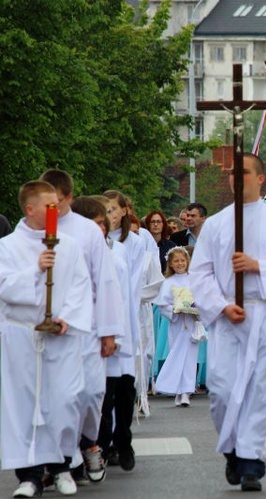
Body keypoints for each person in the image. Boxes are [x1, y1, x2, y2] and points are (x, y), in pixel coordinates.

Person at [190, 154, 266, 492]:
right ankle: (232, 450)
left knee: (258, 389)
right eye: (232, 173)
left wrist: (257, 266)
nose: (238, 178)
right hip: (227, 316)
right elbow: (201, 273)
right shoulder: (216, 224)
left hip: (264, 311)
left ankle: (252, 461)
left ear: (261, 178)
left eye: (245, 172)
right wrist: (222, 306)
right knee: (221, 389)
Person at [0, 181, 93, 498]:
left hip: (61, 337)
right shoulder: (7, 247)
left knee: (65, 401)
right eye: (50, 206)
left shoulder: (69, 244)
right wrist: (35, 270)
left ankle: (62, 466)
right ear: (30, 209)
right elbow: (4, 288)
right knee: (25, 406)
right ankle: (29, 475)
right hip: (23, 336)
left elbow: (82, 286)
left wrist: (68, 316)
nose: (58, 210)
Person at [40, 170, 123, 485]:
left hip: (85, 325)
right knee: (55, 397)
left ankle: (89, 441)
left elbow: (105, 280)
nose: (52, 206)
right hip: (47, 327)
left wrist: (109, 331)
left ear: (69, 198)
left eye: (57, 201)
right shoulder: (35, 229)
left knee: (90, 392)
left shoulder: (87, 231)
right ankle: (57, 462)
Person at [99, 190, 147, 471]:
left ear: (124, 212)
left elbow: (131, 287)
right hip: (104, 322)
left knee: (125, 389)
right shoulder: (97, 243)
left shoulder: (134, 243)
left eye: (114, 209)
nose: (110, 215)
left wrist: (123, 327)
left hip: (125, 319)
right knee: (105, 390)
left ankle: (123, 440)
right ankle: (104, 444)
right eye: (105, 210)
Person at [154, 247, 201, 407]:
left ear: (187, 261)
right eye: (176, 261)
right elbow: (162, 305)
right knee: (176, 353)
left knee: (190, 357)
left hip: (192, 321)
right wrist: (174, 310)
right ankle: (176, 389)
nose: (180, 263)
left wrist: (197, 308)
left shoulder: (195, 279)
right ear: (171, 264)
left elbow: (202, 296)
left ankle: (186, 391)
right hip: (177, 323)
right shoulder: (168, 282)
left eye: (182, 260)